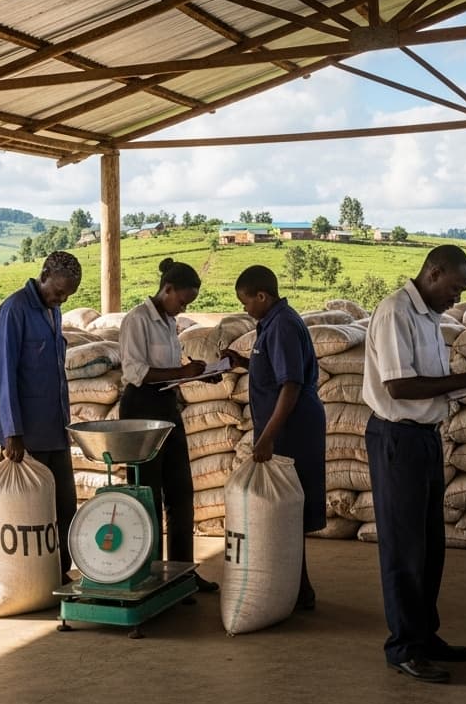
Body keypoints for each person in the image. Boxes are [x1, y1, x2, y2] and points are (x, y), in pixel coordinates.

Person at [362, 245, 466, 684]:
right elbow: (400, 386)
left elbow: (431, 386)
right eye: (455, 289)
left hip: (423, 437)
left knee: (429, 544)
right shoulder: (395, 313)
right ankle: (403, 646)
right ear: (434, 273)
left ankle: (424, 634)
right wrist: (465, 380)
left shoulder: (428, 317)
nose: (456, 299)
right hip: (397, 438)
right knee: (403, 547)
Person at [221, 266, 324, 610]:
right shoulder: (274, 323)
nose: (246, 310)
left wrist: (267, 437)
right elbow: (275, 370)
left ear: (262, 296)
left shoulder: (281, 326)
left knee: (287, 509)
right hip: (285, 426)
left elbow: (290, 385)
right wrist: (246, 363)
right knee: (284, 510)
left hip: (291, 429)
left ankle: (297, 591)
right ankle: (299, 588)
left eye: (246, 302)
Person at [119, 258, 218, 593]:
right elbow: (136, 372)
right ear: (168, 289)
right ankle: (148, 573)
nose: (183, 306)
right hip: (140, 410)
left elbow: (172, 369)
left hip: (166, 407)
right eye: (182, 300)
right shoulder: (137, 320)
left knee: (181, 491)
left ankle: (182, 571)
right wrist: (181, 373)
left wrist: (198, 371)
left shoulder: (168, 322)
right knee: (148, 493)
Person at [0, 250, 82, 581]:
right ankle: (33, 576)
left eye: (67, 295)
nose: (61, 299)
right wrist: (12, 433)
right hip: (28, 432)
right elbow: (5, 373)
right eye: (58, 291)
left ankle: (58, 572)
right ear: (43, 275)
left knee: (64, 505)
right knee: (34, 511)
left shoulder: (52, 310)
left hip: (56, 427)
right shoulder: (15, 310)